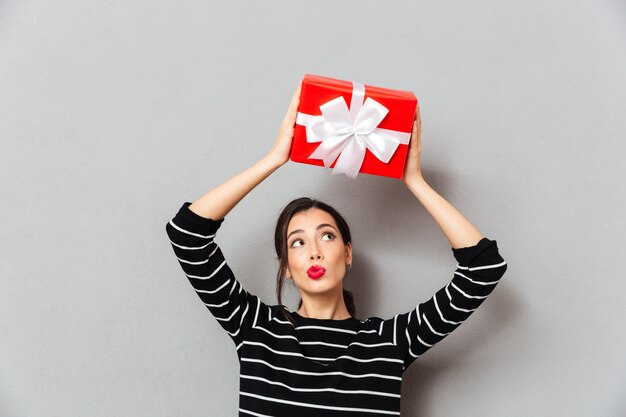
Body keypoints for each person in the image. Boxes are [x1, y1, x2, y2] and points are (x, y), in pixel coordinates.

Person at [165, 80, 508, 416]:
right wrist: (274, 158)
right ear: (286, 265)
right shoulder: (255, 328)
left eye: (326, 236)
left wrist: (414, 181)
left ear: (347, 253)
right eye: (297, 242)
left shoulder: (387, 342)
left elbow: (483, 269)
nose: (314, 251)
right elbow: (187, 234)